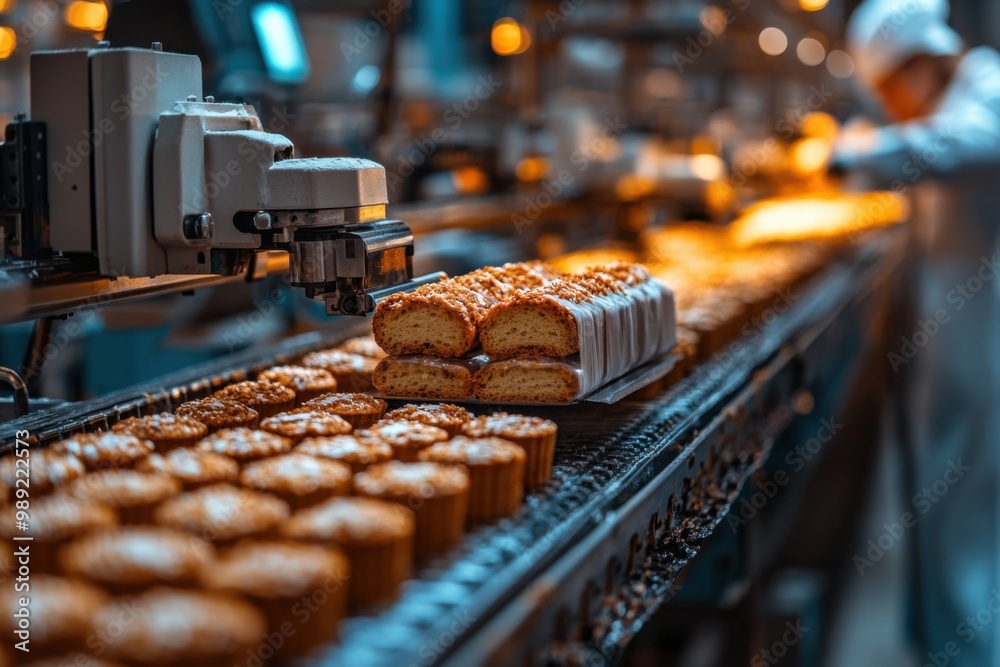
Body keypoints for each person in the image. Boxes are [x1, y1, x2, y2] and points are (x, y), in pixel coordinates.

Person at [833, 0, 1000, 663]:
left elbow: (975, 147)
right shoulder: (952, 100)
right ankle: (938, 643)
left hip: (983, 342)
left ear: (917, 64)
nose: (889, 105)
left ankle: (967, 651)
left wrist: (856, 154)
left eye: (889, 89)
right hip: (951, 343)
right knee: (941, 502)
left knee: (964, 518)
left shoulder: (986, 85)